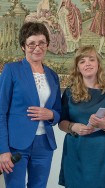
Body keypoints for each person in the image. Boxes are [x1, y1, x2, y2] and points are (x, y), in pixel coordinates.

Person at [0, 22, 62, 188]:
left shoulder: (53, 75)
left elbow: (58, 111)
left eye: (41, 42)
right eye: (31, 43)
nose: (37, 47)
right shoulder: (11, 70)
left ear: (47, 44)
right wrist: (2, 150)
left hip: (44, 145)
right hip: (15, 145)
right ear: (23, 46)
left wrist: (51, 115)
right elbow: (1, 112)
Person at [58, 45, 105, 188]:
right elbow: (61, 122)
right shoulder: (69, 91)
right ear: (78, 67)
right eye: (82, 61)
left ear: (98, 63)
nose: (87, 64)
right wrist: (73, 126)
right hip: (75, 149)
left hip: (101, 151)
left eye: (91, 60)